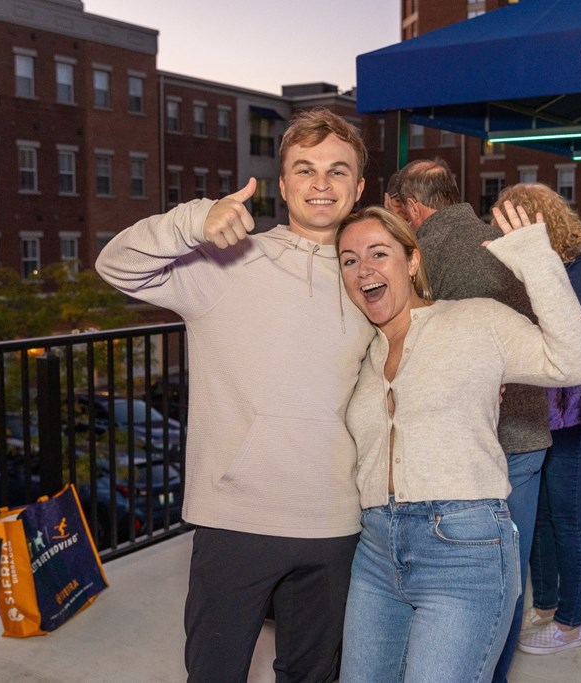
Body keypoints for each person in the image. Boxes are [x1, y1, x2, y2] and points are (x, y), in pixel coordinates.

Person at [95, 108, 373, 683]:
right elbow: (115, 265)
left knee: (313, 675)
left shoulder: (371, 277)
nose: (321, 183)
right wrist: (194, 221)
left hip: (336, 520)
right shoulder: (228, 261)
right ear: (283, 184)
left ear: (360, 187)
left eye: (338, 170)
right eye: (306, 169)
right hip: (237, 517)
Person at [336, 203, 581, 682]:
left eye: (379, 253)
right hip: (375, 550)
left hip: (463, 549)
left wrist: (538, 264)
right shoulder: (359, 350)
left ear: (413, 261)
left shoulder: (476, 320)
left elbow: (577, 363)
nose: (365, 269)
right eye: (349, 260)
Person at [396, 158, 554, 682]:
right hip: (528, 433)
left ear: (411, 207)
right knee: (508, 577)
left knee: (459, 584)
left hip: (473, 446)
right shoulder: (498, 239)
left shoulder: (429, 254)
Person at [491, 185, 581, 656]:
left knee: (568, 517)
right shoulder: (546, 262)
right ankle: (546, 605)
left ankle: (570, 624)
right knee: (542, 516)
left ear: (536, 219)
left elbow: (564, 320)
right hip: (544, 409)